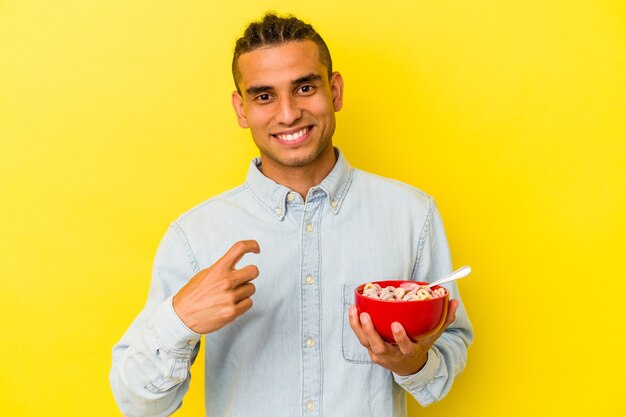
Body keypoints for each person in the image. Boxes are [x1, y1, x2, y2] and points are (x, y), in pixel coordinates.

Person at [110, 12, 473, 417]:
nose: (287, 114)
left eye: (304, 88)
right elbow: (138, 403)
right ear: (241, 108)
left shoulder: (411, 215)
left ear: (334, 91)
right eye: (264, 95)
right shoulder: (194, 236)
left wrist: (414, 364)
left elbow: (450, 346)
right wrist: (180, 320)